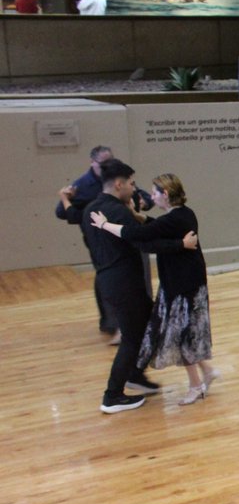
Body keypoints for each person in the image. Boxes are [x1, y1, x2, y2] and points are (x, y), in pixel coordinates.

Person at [91, 173, 215, 406]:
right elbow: (157, 230)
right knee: (183, 335)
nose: (152, 196)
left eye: (155, 192)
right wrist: (138, 216)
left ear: (165, 194)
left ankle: (196, 386)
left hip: (183, 287)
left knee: (180, 336)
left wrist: (105, 225)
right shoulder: (181, 214)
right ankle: (206, 373)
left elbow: (140, 236)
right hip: (180, 285)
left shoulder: (176, 218)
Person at [83, 159, 164, 413]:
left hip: (109, 279)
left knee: (152, 323)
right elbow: (141, 241)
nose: (133, 187)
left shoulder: (90, 209)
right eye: (131, 183)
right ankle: (112, 395)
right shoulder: (118, 212)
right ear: (118, 184)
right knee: (132, 337)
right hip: (124, 281)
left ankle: (135, 373)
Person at [56, 145, 119, 337]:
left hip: (117, 236)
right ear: (92, 162)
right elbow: (62, 212)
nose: (107, 166)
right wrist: (67, 200)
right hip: (97, 240)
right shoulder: (81, 185)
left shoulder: (116, 176)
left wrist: (144, 201)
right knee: (105, 277)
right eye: (103, 163)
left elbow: (139, 194)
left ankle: (120, 323)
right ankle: (111, 323)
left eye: (110, 162)